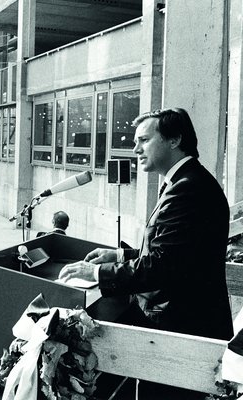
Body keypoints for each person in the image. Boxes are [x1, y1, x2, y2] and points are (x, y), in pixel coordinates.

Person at [58, 108, 234, 399]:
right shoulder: (186, 181)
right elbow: (174, 250)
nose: (135, 149)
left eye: (144, 140)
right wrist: (119, 255)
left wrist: (96, 273)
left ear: (174, 140)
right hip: (184, 325)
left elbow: (165, 266)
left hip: (181, 330)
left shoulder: (188, 189)